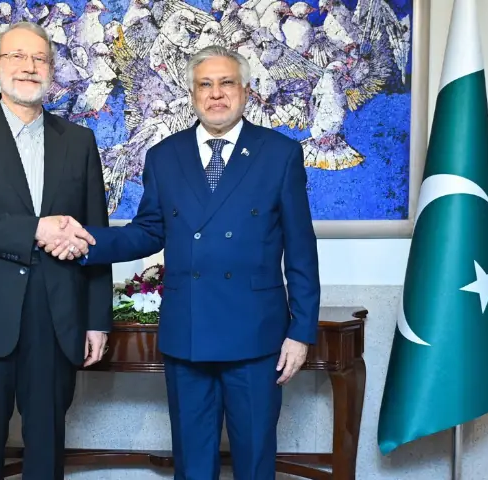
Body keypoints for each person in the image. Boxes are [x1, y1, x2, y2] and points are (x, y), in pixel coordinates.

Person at [45, 45, 321, 479]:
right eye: (205, 85)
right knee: (192, 462)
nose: (216, 94)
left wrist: (301, 332)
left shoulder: (279, 154)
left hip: (257, 335)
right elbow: (148, 231)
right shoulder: (164, 156)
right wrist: (85, 241)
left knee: (254, 460)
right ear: (191, 94)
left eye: (226, 83)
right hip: (187, 330)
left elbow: (302, 250)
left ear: (246, 91)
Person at [0, 22, 112, 480]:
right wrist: (35, 230)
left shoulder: (79, 141)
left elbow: (96, 237)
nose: (28, 67)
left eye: (39, 58)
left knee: (47, 450)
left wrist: (96, 319)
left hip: (56, 318)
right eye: (16, 56)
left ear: (52, 69)